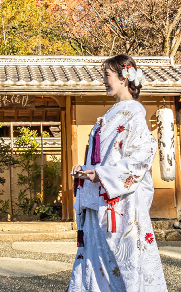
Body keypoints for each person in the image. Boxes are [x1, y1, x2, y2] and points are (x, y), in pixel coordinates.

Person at [67, 54, 168, 292]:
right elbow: (101, 156)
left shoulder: (134, 113)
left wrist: (101, 174)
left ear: (124, 79)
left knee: (124, 261)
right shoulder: (114, 113)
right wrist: (87, 170)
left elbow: (142, 155)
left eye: (107, 75)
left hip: (119, 203)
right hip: (101, 197)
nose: (104, 80)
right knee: (96, 259)